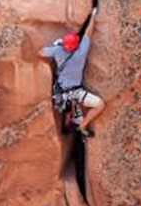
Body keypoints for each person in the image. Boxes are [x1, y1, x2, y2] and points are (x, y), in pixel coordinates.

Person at [39, 8, 105, 136]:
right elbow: (88, 33)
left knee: (68, 104)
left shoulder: (58, 51)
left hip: (61, 91)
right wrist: (93, 15)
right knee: (100, 105)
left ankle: (68, 120)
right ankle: (81, 125)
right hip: (76, 92)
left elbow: (40, 53)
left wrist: (56, 44)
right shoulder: (81, 52)